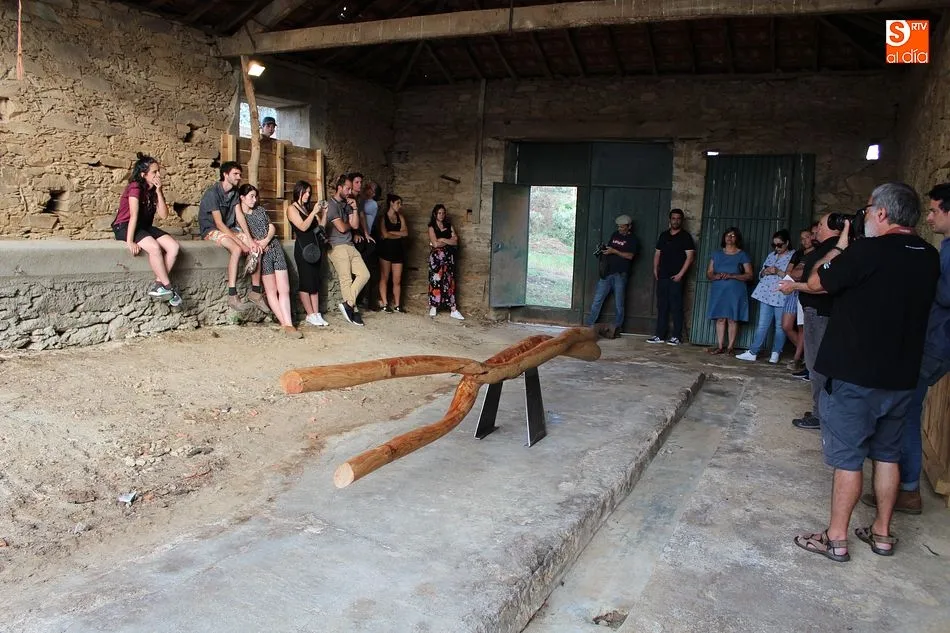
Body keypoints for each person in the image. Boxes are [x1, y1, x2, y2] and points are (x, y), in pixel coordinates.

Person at [793, 182, 939, 562]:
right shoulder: (929, 255)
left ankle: (836, 538)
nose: (865, 215)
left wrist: (841, 244)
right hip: (901, 376)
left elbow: (816, 282)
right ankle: (882, 533)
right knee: (887, 456)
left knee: (848, 458)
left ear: (882, 213)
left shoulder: (865, 251)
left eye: (869, 208)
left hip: (855, 374)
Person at [861, 182, 950, 514]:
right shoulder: (942, 248)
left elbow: (945, 294)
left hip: (934, 343)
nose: (929, 218)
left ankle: (907, 489)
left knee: (905, 415)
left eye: (935, 210)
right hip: (935, 342)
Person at [778, 215, 841, 430]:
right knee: (816, 364)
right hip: (817, 311)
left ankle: (820, 415)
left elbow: (822, 285)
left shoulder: (834, 251)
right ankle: (820, 410)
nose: (816, 231)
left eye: (820, 226)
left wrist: (795, 286)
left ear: (833, 229)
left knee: (816, 365)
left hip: (820, 312)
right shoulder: (826, 249)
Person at [198, 161, 269, 313]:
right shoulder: (212, 193)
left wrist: (249, 240)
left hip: (230, 229)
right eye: (235, 174)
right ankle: (232, 295)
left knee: (256, 248)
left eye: (240, 174)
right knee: (236, 249)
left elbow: (240, 216)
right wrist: (241, 244)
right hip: (211, 229)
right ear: (225, 174)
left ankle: (256, 292)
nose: (239, 177)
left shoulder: (235, 192)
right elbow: (219, 223)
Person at [111, 154, 182, 307]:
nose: (158, 175)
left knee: (174, 247)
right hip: (125, 226)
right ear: (144, 175)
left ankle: (159, 285)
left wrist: (159, 192)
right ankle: (169, 287)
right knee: (155, 248)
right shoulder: (135, 187)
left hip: (144, 227)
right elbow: (133, 215)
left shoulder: (153, 190)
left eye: (158, 171)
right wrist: (130, 241)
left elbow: (164, 215)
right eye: (154, 172)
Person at [234, 184, 301, 339]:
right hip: (262, 256)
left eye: (255, 196)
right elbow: (243, 237)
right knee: (271, 291)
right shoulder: (239, 219)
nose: (254, 199)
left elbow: (271, 228)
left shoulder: (260, 210)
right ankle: (286, 324)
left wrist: (265, 241)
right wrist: (258, 245)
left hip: (274, 248)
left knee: (284, 288)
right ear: (242, 198)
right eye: (251, 196)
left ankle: (288, 323)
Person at [736, 230, 795, 364]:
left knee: (780, 326)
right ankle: (753, 351)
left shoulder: (793, 256)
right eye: (774, 245)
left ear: (787, 243)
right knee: (762, 324)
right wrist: (764, 271)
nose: (777, 248)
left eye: (779, 245)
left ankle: (776, 353)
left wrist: (777, 271)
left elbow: (792, 277)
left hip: (781, 294)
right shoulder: (771, 255)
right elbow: (760, 274)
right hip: (766, 294)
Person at [325, 174, 370, 326]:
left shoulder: (349, 203)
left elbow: (356, 225)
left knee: (365, 274)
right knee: (346, 279)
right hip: (337, 246)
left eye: (351, 189)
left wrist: (355, 208)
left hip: (350, 245)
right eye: (347, 188)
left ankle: (348, 304)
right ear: (339, 187)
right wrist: (350, 223)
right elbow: (342, 228)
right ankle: (354, 310)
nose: (350, 191)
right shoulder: (331, 205)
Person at [646, 209, 695, 345]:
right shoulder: (664, 235)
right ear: (670, 220)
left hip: (676, 277)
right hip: (663, 275)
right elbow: (657, 253)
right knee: (662, 306)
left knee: (676, 306)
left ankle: (677, 336)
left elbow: (690, 257)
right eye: (673, 218)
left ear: (682, 220)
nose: (676, 221)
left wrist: (680, 274)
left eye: (678, 218)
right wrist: (655, 269)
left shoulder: (685, 237)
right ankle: (660, 335)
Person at [584, 214, 638, 334]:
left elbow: (630, 256)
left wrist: (614, 251)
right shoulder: (615, 235)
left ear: (629, 226)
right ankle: (589, 325)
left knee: (619, 303)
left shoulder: (633, 239)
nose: (620, 229)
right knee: (597, 300)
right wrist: (604, 249)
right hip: (607, 272)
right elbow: (610, 248)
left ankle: (616, 328)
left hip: (620, 274)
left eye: (622, 227)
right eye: (618, 226)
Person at [287, 180, 329, 327]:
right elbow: (303, 227)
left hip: (315, 249)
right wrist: (313, 213)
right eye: (304, 192)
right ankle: (310, 314)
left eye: (309, 193)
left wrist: (325, 213)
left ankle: (317, 314)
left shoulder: (307, 209)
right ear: (297, 191)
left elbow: (321, 227)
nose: (307, 195)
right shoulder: (292, 208)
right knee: (306, 282)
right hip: (303, 249)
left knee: (315, 282)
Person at [705, 227, 753, 354]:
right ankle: (720, 346)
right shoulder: (716, 254)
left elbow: (749, 275)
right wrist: (715, 276)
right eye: (727, 235)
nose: (729, 238)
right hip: (719, 290)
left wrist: (732, 276)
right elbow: (709, 272)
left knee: (732, 318)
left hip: (735, 291)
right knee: (720, 318)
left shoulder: (742, 255)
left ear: (737, 238)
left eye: (733, 235)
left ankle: (730, 347)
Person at [782, 228, 816, 372]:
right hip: (793, 289)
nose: (804, 241)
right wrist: (798, 272)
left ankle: (797, 358)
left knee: (802, 326)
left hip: (806, 289)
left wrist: (798, 272)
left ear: (813, 236)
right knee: (786, 325)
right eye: (802, 238)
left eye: (807, 237)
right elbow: (789, 272)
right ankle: (808, 355)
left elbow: (807, 274)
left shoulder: (817, 252)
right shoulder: (798, 253)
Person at [428, 204, 464, 320]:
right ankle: (434, 306)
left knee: (449, 281)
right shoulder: (432, 227)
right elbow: (435, 244)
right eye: (439, 213)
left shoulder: (449, 225)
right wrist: (448, 241)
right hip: (436, 259)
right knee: (435, 281)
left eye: (443, 213)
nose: (442, 215)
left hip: (449, 258)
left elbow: (456, 241)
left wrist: (443, 239)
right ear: (435, 214)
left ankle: (453, 309)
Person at [378, 194, 409, 313]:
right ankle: (385, 304)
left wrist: (391, 233)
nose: (400, 206)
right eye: (398, 203)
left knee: (397, 279)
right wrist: (397, 234)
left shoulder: (400, 217)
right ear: (391, 203)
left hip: (398, 251)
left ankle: (397, 305)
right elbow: (384, 235)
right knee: (384, 277)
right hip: (385, 251)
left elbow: (405, 233)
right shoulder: (383, 218)